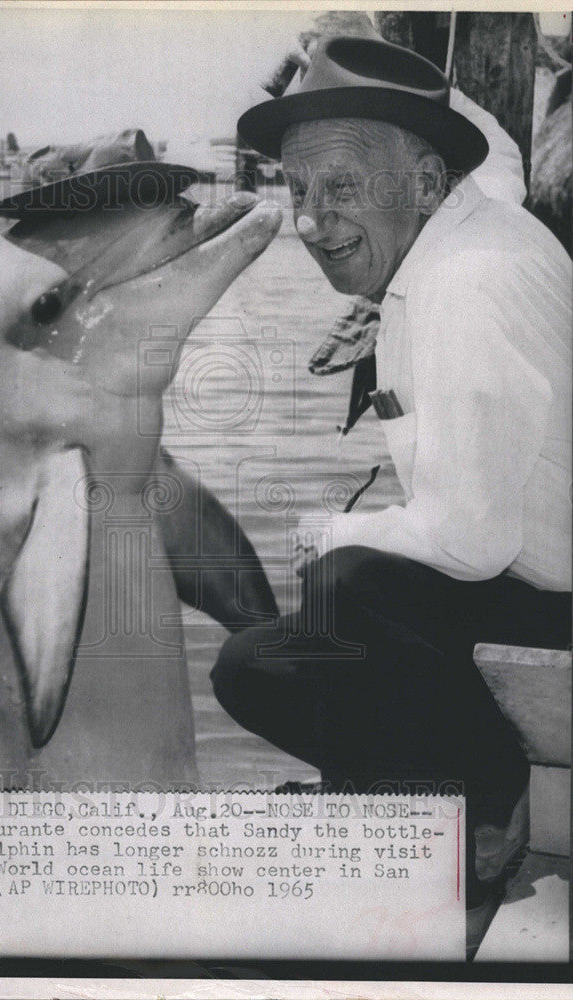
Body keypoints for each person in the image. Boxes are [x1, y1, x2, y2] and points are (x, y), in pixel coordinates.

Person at [210, 35, 572, 935]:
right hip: (528, 584)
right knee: (282, 645)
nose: (309, 221)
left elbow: (473, 542)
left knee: (336, 592)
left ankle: (476, 818)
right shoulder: (462, 235)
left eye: (340, 188)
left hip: (552, 598)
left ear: (420, 182)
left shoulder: (469, 282)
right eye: (297, 190)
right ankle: (448, 799)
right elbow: (490, 152)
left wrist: (330, 536)